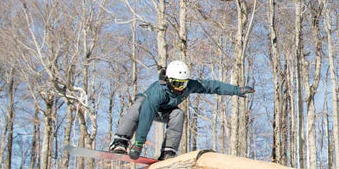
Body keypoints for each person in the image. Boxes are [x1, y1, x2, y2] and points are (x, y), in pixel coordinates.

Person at [109, 60, 254, 160]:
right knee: (137, 107)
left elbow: (213, 86)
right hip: (147, 106)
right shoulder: (157, 91)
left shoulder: (190, 85)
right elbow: (146, 118)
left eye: (182, 84)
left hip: (165, 111)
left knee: (179, 113)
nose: (180, 88)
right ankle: (120, 141)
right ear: (168, 79)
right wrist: (139, 144)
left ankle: (168, 151)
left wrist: (237, 90)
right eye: (176, 83)